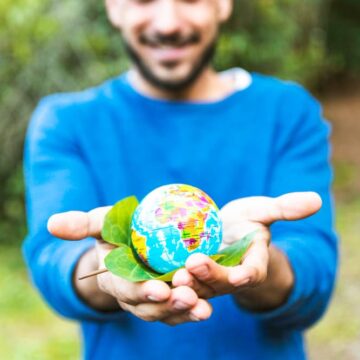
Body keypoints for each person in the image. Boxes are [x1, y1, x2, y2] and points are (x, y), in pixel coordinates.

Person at [22, 0, 338, 359]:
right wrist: (106, 266)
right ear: (112, 6)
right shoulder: (67, 120)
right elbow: (53, 263)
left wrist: (255, 263)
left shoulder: (288, 112)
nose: (168, 22)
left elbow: (314, 274)